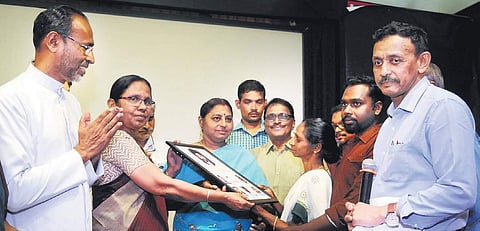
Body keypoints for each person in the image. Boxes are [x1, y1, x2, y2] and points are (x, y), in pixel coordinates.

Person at [0, 5, 124, 230]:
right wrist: (83, 152)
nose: (91, 58)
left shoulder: (71, 102)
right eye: (86, 47)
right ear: (54, 41)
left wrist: (93, 155)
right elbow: (16, 193)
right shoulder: (10, 99)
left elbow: (79, 179)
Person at [345, 21, 476, 230]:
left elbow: (458, 191)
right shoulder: (389, 123)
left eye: (395, 60)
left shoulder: (443, 107)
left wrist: (383, 212)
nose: (384, 71)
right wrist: (363, 217)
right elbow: (388, 193)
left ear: (422, 62)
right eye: (377, 62)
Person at [92, 75, 253, 230]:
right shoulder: (116, 138)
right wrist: (223, 197)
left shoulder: (131, 141)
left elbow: (148, 189)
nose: (142, 107)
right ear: (113, 104)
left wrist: (170, 171)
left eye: (148, 101)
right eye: (134, 99)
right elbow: (160, 185)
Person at [257, 74, 385, 231]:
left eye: (356, 104)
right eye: (344, 105)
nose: (347, 111)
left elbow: (353, 202)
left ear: (377, 108)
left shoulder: (380, 142)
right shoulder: (351, 145)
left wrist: (290, 229)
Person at [172, 97, 269, 230]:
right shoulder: (186, 154)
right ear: (201, 121)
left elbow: (261, 201)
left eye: (228, 119)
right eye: (216, 118)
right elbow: (167, 192)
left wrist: (262, 223)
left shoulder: (242, 155)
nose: (224, 124)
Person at [252, 118, 340, 229]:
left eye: (298, 139)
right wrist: (273, 200)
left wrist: (259, 211)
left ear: (317, 148)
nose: (291, 142)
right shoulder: (309, 175)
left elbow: (313, 227)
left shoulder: (317, 179)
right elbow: (291, 218)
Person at [251, 98, 304, 204]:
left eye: (283, 116)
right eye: (271, 117)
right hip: (258, 218)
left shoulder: (306, 154)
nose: (276, 121)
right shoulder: (252, 156)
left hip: (298, 220)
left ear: (293, 123)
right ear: (264, 124)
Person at [226, 79, 269, 150]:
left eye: (259, 102)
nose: (254, 108)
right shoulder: (228, 136)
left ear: (265, 103)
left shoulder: (274, 135)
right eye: (247, 102)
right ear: (238, 104)